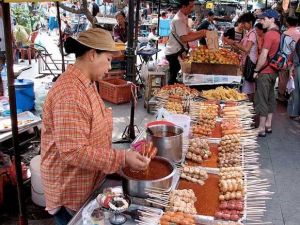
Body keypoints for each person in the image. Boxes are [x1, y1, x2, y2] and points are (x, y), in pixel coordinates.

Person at [41, 28, 149, 225]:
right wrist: (122, 157)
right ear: (92, 55)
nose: (110, 66)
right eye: (108, 59)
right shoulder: (70, 94)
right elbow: (73, 152)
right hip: (71, 190)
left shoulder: (87, 83)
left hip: (90, 180)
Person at [253, 9, 281, 137]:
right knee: (270, 97)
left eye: (264, 19)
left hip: (265, 71)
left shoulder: (269, 34)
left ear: (272, 20)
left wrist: (256, 70)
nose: (261, 21)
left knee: (262, 98)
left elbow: (264, 54)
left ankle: (261, 128)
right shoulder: (278, 33)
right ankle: (268, 124)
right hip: (274, 71)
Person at [165, 0, 207, 85]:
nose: (192, 9)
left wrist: (202, 32)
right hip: (174, 52)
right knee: (172, 77)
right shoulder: (178, 19)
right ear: (183, 6)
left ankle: (174, 90)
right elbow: (184, 38)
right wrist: (201, 34)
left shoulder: (184, 16)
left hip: (178, 51)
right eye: (190, 6)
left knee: (175, 76)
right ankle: (169, 94)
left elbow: (189, 33)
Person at [225, 12, 257, 100]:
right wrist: (231, 43)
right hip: (245, 61)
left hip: (250, 62)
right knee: (246, 85)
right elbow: (240, 47)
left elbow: (246, 49)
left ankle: (249, 103)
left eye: (244, 23)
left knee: (248, 85)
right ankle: (248, 102)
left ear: (250, 22)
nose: (243, 25)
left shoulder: (253, 34)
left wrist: (234, 42)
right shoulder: (248, 33)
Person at [278, 16, 300, 102]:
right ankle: (291, 95)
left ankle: (281, 95)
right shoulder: (299, 33)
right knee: (293, 78)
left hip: (284, 59)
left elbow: (281, 48)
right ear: (297, 23)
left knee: (283, 78)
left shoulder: (284, 33)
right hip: (295, 60)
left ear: (287, 23)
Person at [287, 39, 300, 120]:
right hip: (297, 67)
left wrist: (292, 67)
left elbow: (296, 56)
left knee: (296, 92)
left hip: (298, 67)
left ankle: (294, 113)